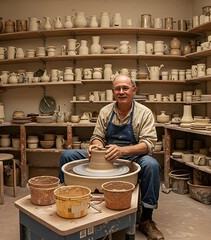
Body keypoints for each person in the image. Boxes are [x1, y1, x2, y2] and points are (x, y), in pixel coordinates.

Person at [59, 74, 164, 240]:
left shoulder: (144, 113)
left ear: (134, 90)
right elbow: (98, 136)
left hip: (131, 157)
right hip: (107, 157)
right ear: (113, 91)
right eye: (117, 88)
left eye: (125, 88)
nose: (121, 92)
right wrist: (96, 145)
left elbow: (148, 145)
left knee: (151, 165)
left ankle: (146, 219)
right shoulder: (105, 111)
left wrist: (122, 151)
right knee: (67, 155)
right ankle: (65, 201)